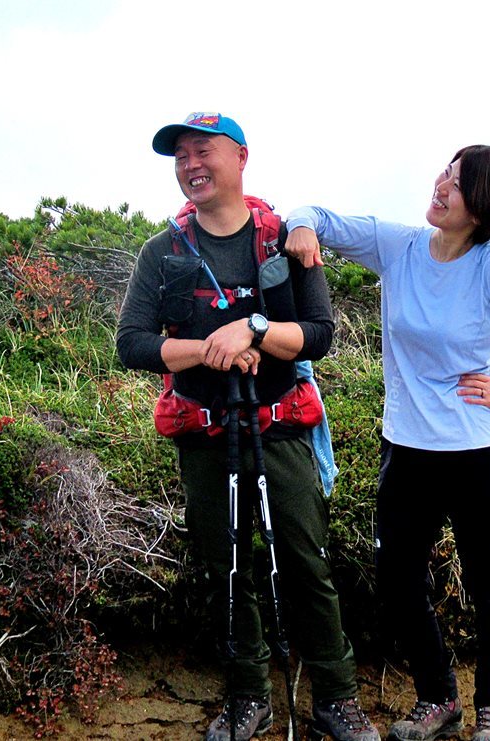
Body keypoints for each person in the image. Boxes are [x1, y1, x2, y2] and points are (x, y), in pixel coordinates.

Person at [283, 145, 490, 741]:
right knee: (397, 579)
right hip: (407, 449)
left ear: (485, 206)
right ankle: (437, 698)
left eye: (459, 182)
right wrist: (300, 230)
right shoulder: (400, 246)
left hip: (478, 453)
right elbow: (312, 213)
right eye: (446, 171)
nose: (442, 185)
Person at [117, 112, 379, 741]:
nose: (189, 166)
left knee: (303, 558)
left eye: (202, 152)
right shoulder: (162, 252)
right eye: (180, 157)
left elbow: (319, 334)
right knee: (226, 565)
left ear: (240, 158)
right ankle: (247, 697)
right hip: (206, 433)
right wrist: (207, 349)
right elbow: (131, 344)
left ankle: (336, 698)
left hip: (280, 427)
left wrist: (255, 331)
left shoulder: (287, 242)